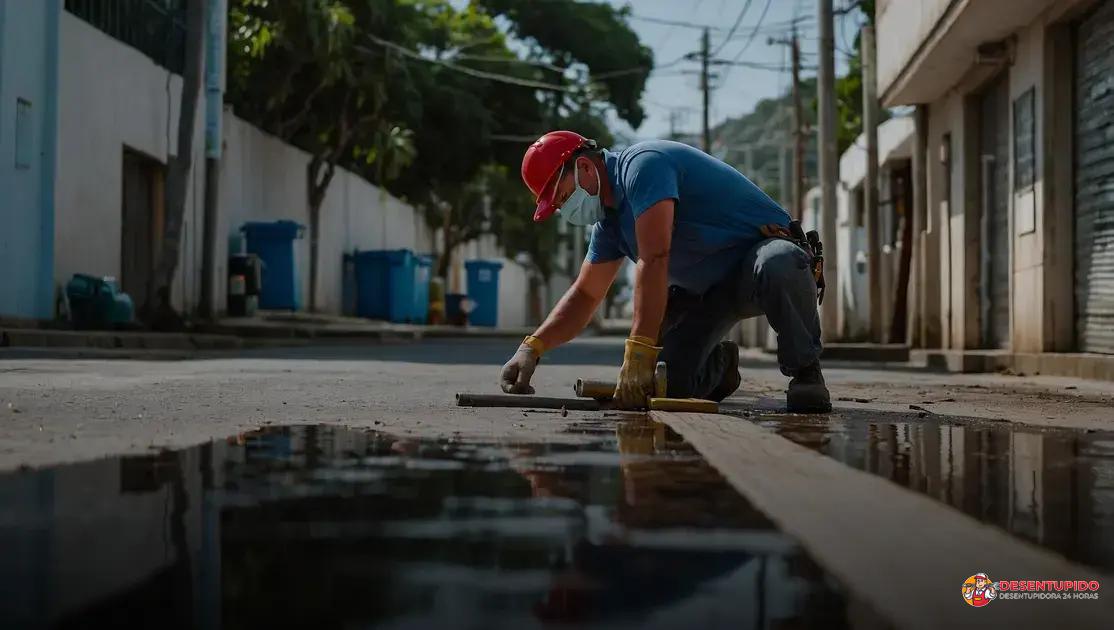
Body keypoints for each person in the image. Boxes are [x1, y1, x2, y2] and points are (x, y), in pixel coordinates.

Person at [499, 131, 830, 412]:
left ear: (584, 166)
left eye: (562, 198)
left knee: (781, 261)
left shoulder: (644, 165)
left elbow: (655, 257)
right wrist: (532, 348)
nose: (564, 210)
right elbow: (585, 294)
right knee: (662, 385)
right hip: (705, 293)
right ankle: (719, 367)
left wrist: (640, 348)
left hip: (755, 265)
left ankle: (805, 372)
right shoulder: (609, 226)